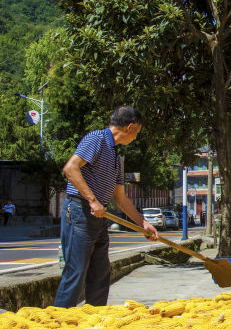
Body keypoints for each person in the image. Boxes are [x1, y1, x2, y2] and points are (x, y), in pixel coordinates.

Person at [54, 106, 159, 308]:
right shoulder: (97, 139)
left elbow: (120, 197)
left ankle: (96, 316)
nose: (136, 137)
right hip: (80, 212)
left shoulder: (115, 157)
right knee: (76, 271)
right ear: (130, 127)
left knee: (101, 272)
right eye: (137, 132)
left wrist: (142, 223)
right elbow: (70, 168)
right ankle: (58, 321)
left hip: (99, 218)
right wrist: (93, 200)